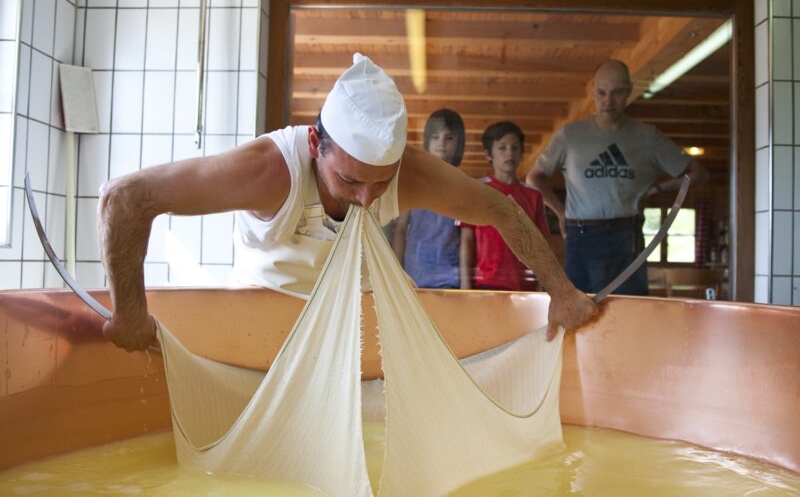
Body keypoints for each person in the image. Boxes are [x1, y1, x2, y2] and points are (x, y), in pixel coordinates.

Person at [98, 53, 596, 351]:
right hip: (260, 326)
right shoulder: (267, 170)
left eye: (381, 185)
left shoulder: (410, 172)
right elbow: (125, 199)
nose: (366, 200)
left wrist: (561, 291)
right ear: (317, 144)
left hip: (361, 332)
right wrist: (130, 314)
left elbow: (501, 211)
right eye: (351, 180)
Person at [526, 59, 707, 296]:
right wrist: (560, 213)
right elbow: (534, 178)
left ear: (629, 91)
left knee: (629, 309)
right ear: (592, 91)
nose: (608, 101)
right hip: (581, 235)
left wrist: (660, 189)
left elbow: (698, 173)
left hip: (627, 233)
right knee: (579, 310)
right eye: (601, 92)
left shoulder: (647, 137)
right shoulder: (571, 136)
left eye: (617, 93)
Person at [459, 121, 549, 291]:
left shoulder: (533, 195)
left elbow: (541, 245)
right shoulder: (476, 190)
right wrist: (465, 284)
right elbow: (466, 239)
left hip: (524, 286)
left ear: (522, 152)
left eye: (515, 147)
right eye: (502, 148)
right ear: (488, 154)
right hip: (485, 284)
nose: (510, 153)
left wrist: (542, 283)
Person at [391, 109, 466, 289]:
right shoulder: (413, 182)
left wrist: (466, 285)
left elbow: (465, 238)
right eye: (435, 136)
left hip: (451, 278)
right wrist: (395, 274)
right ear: (427, 141)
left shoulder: (463, 185)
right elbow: (400, 230)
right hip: (415, 277)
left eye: (449, 138)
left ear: (459, 143)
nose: (441, 142)